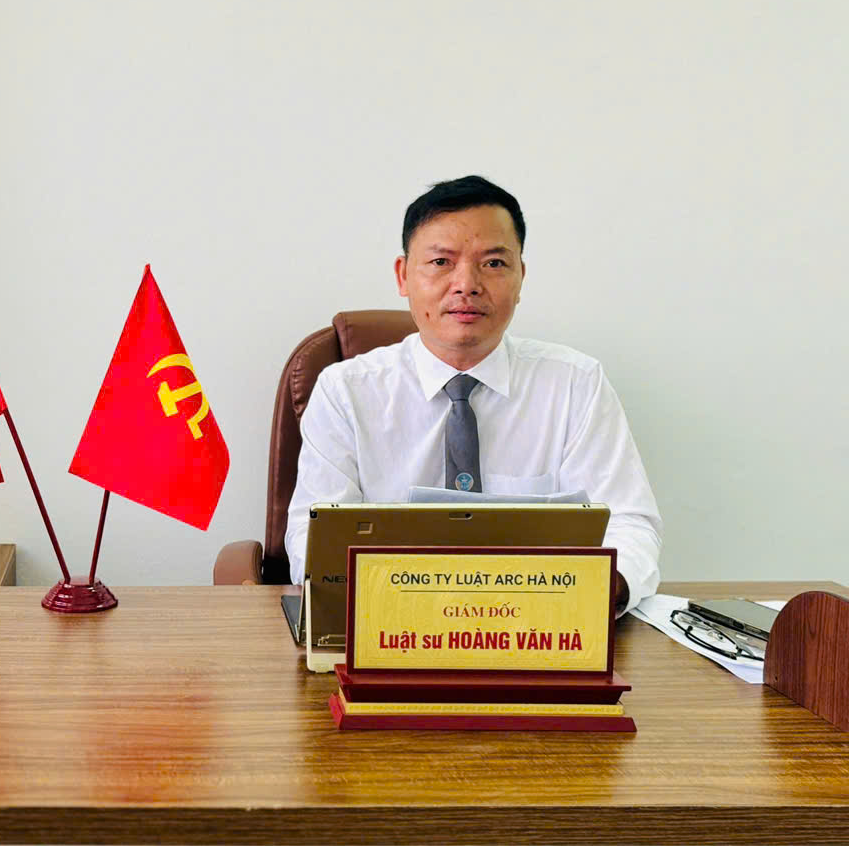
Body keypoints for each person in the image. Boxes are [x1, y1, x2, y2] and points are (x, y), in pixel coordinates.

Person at [284, 175, 662, 613]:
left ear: (521, 277)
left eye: (494, 263)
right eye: (441, 262)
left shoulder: (576, 384)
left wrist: (597, 590)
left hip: (539, 624)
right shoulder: (345, 391)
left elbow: (629, 524)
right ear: (403, 276)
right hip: (389, 622)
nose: (466, 284)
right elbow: (313, 537)